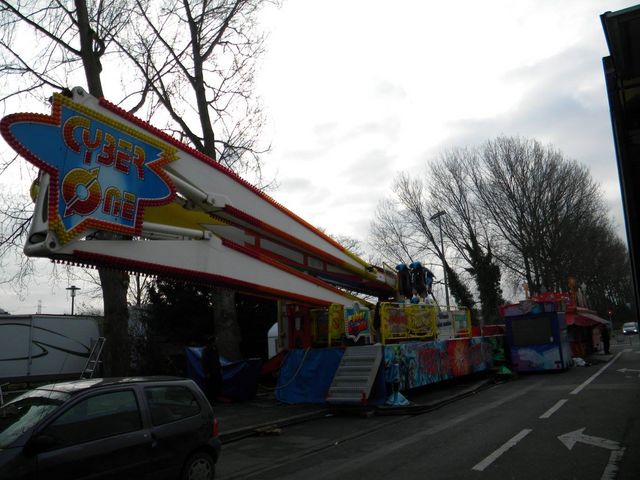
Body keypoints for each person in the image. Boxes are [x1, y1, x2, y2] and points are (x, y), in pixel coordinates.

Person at [202, 337, 223, 402]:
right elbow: (204, 361)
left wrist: (220, 368)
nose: (216, 342)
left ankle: (215, 398)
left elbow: (217, 359)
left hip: (216, 370)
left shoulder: (215, 349)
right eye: (215, 341)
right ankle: (210, 400)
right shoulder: (206, 350)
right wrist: (207, 372)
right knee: (210, 386)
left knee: (217, 385)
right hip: (211, 371)